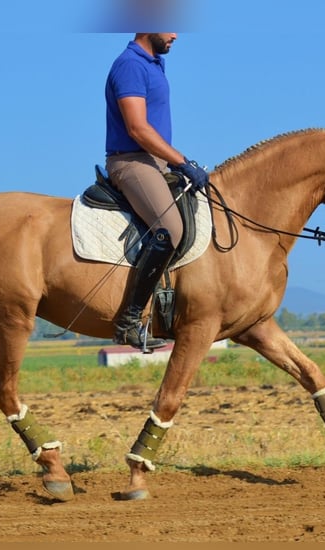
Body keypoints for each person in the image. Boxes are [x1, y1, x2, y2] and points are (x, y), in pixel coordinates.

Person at [105, 32, 208, 350]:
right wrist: (181, 161)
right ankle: (129, 321)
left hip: (156, 164)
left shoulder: (155, 63)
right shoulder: (130, 66)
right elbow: (137, 128)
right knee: (170, 229)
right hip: (132, 162)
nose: (176, 34)